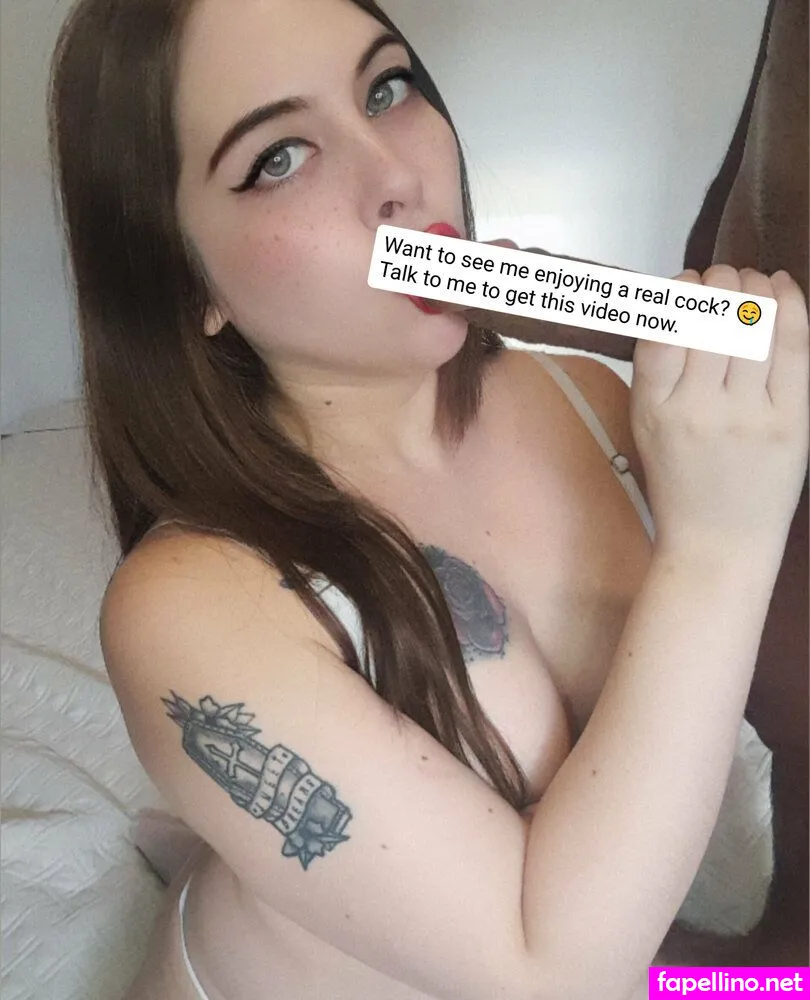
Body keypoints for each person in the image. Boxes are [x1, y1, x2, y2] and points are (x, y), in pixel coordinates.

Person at [47, 2, 808, 1000]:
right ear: (186, 281)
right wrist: (720, 545)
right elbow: (552, 974)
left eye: (385, 90)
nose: (395, 176)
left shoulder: (584, 395)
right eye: (279, 158)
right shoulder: (183, 604)